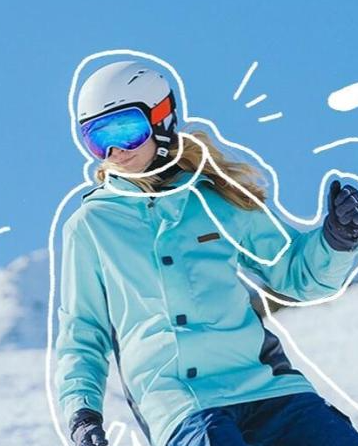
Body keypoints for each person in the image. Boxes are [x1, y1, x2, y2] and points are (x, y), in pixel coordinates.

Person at [53, 60, 358, 446]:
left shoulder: (216, 199)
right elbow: (83, 330)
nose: (114, 150)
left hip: (270, 388)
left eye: (126, 131)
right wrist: (82, 412)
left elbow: (295, 274)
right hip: (182, 402)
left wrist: (337, 237)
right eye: (98, 139)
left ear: (161, 119)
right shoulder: (91, 225)